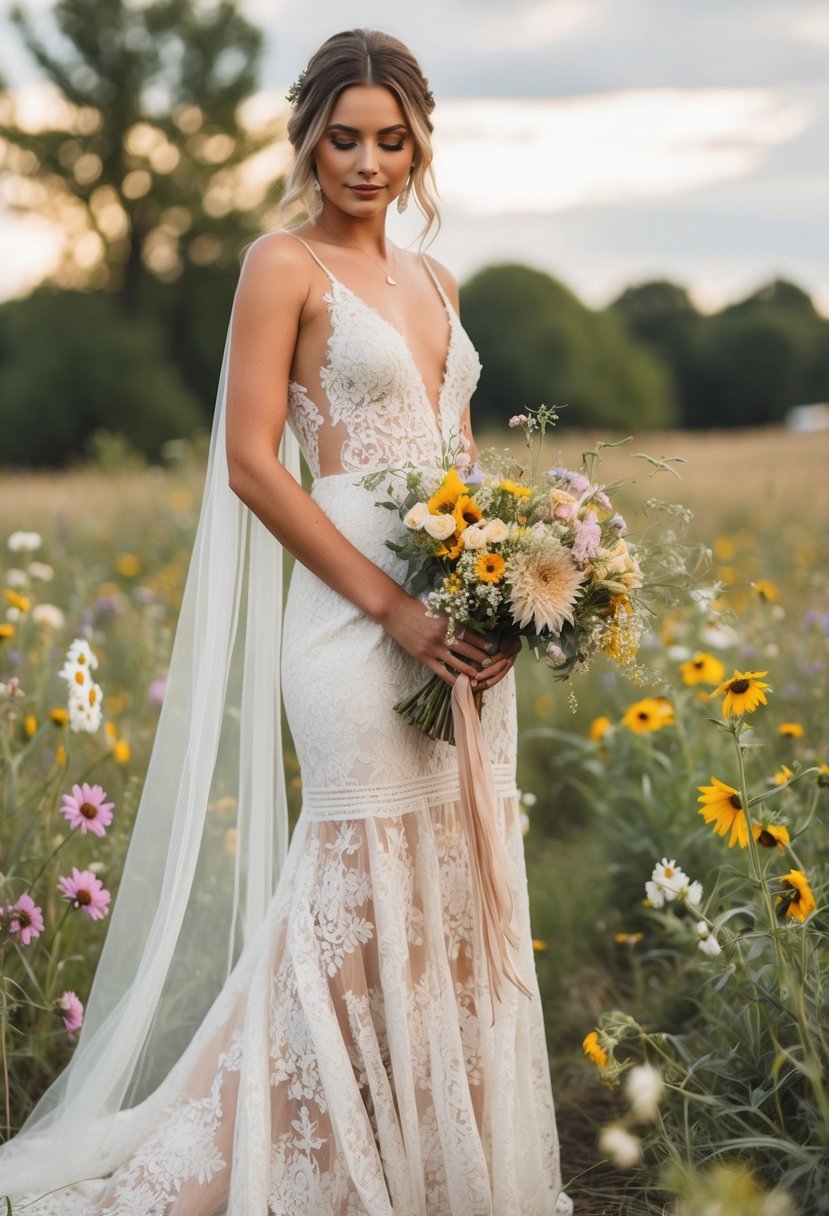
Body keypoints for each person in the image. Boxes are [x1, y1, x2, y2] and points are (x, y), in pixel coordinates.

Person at [0, 28, 572, 1215]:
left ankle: (425, 1169)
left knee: (449, 897)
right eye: (343, 137)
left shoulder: (436, 280)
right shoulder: (283, 263)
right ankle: (293, 1166)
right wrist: (396, 611)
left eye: (389, 139)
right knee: (354, 902)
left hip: (453, 618)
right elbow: (256, 468)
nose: (365, 162)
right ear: (308, 138)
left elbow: (458, 454)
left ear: (419, 145)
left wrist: (506, 582)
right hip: (354, 621)